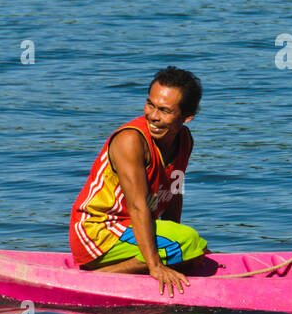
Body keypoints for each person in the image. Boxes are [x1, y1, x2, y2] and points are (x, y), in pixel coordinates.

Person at [70, 67, 208, 297]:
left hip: (131, 227)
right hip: (99, 229)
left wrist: (177, 240)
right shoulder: (131, 140)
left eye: (164, 111)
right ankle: (102, 277)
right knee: (189, 243)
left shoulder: (185, 140)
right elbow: (137, 205)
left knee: (194, 248)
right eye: (150, 105)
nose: (153, 115)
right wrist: (156, 265)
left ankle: (151, 260)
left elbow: (174, 194)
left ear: (186, 117)